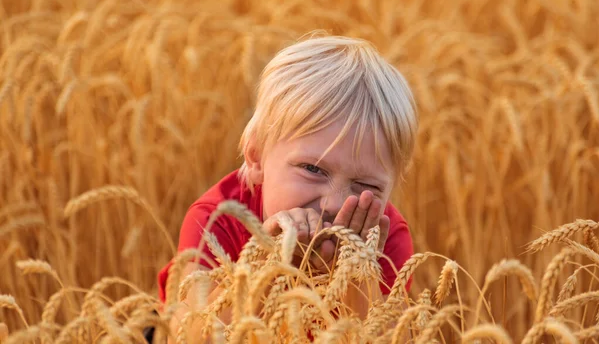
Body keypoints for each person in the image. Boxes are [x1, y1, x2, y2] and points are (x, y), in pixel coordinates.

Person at [156, 32, 418, 341]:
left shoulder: (387, 237)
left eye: (364, 185)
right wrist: (266, 266)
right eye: (313, 169)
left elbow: (382, 337)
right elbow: (189, 336)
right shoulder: (218, 218)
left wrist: (359, 272)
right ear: (256, 158)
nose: (334, 203)